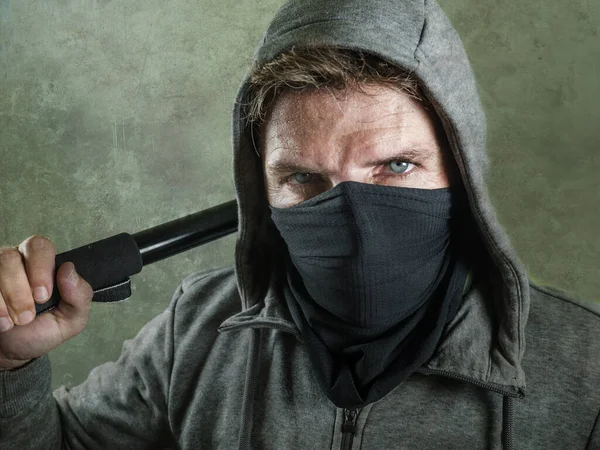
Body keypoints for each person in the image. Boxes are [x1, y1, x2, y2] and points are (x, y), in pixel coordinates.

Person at [1, 0, 599, 448]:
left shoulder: (587, 367)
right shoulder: (199, 330)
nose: (351, 215)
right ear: (260, 185)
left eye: (395, 165)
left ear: (462, 170)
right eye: (304, 179)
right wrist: (9, 367)